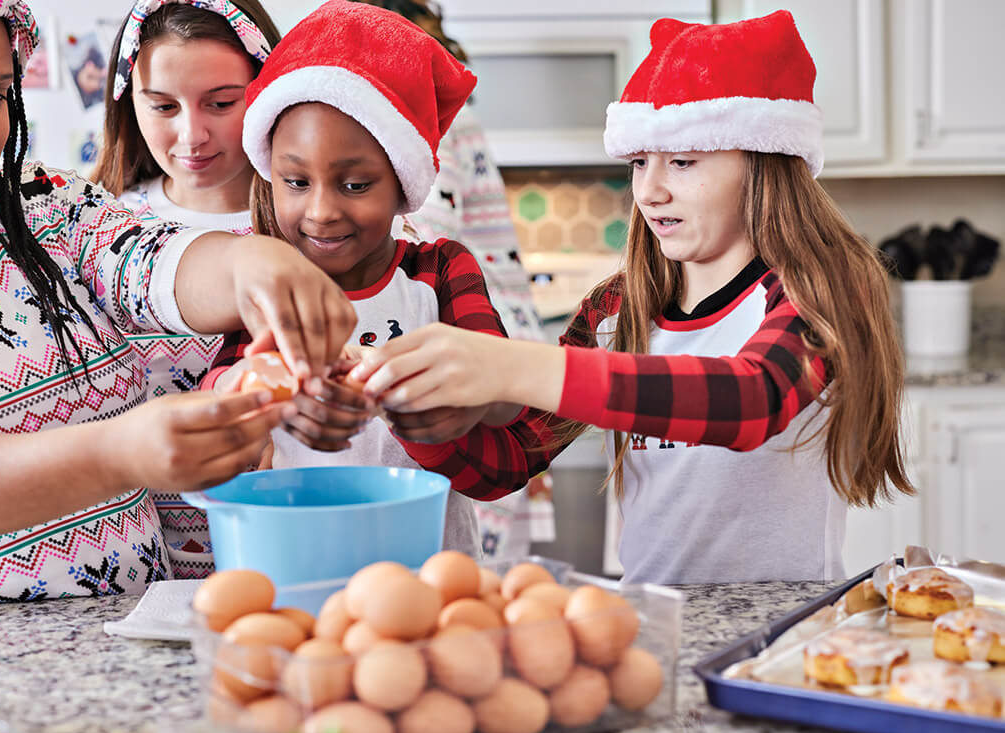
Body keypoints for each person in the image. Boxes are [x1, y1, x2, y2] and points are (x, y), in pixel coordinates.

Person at [347, 10, 914, 583]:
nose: (649, 189)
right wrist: (412, 415)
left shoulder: (818, 288)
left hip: (783, 628)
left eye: (683, 162)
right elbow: (505, 465)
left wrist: (510, 365)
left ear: (766, 163)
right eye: (640, 161)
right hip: (648, 625)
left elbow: (753, 400)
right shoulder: (617, 309)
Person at [0, 0, 355, 607]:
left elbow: (148, 261)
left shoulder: (36, 201)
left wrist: (251, 265)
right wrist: (120, 452)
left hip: (126, 636)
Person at [203, 0, 512, 557]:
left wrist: (428, 385)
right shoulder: (268, 276)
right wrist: (257, 387)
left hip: (428, 572)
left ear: (403, 183)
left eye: (354, 185)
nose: (320, 212)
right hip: (296, 563)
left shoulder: (439, 270)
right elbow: (217, 393)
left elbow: (504, 396)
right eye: (296, 181)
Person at [352, 0, 553, 559]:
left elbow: (490, 262)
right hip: (423, 394)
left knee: (467, 584)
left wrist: (505, 385)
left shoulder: (450, 128)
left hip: (476, 365)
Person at [92, 0, 282, 578]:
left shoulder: (311, 229)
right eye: (163, 106)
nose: (191, 134)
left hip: (280, 547)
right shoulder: (96, 228)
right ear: (129, 104)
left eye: (222, 103)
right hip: (141, 567)